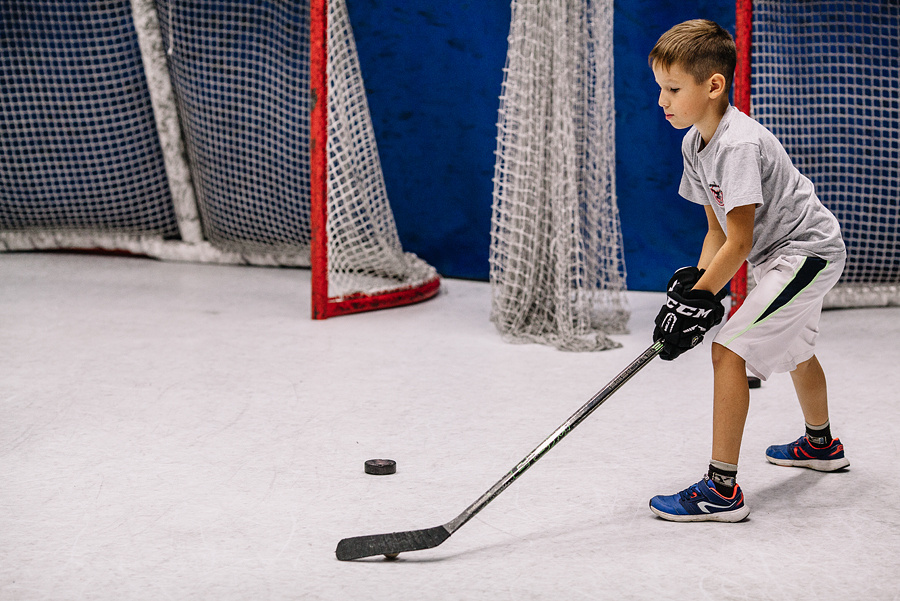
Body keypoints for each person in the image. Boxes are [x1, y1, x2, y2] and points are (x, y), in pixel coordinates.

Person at [646, 19, 849, 522]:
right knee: (797, 350)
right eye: (660, 89)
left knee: (727, 351)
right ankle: (821, 446)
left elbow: (739, 241)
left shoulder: (737, 144)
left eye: (673, 89)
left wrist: (701, 304)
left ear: (713, 86)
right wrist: (691, 292)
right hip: (779, 256)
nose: (662, 101)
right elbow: (716, 233)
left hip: (807, 253)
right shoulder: (695, 145)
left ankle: (721, 490)